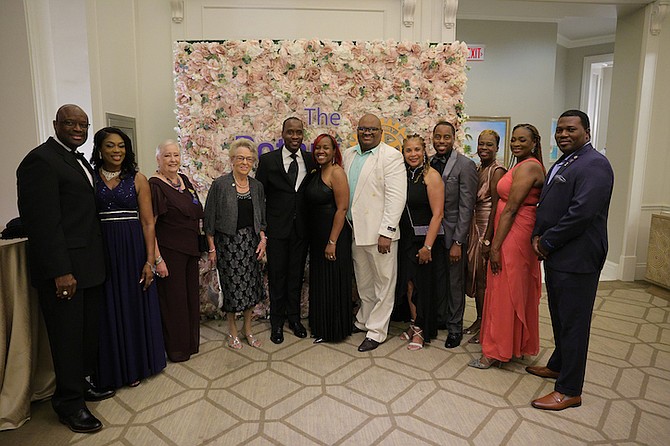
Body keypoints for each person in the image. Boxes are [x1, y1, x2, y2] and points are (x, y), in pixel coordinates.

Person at [16, 104, 113, 433]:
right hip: (65, 272)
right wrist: (60, 271)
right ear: (56, 124)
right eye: (70, 123)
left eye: (83, 125)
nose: (77, 129)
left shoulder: (77, 159)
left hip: (89, 267)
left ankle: (82, 386)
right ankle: (69, 404)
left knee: (86, 336)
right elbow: (43, 224)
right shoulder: (40, 161)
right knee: (67, 339)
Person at [528, 110, 614, 411]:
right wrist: (539, 237)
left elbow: (581, 213)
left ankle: (569, 389)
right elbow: (550, 204)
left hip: (577, 257)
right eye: (560, 130)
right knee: (561, 317)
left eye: (571, 130)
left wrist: (547, 241)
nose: (564, 134)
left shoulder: (595, 165)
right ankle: (558, 364)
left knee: (575, 324)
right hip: (558, 256)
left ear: (587, 132)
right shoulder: (567, 160)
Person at [90, 127, 166, 388]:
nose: (116, 151)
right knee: (108, 307)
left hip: (133, 248)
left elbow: (148, 223)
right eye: (110, 145)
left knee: (133, 302)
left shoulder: (138, 179)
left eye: (121, 145)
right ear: (100, 148)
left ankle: (137, 365)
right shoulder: (91, 178)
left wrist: (149, 260)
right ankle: (112, 368)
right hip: (103, 249)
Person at [468, 124, 546, 369]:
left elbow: (511, 208)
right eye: (514, 139)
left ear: (534, 143)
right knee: (507, 289)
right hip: (509, 231)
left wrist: (493, 245)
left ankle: (495, 352)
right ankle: (510, 345)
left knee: (504, 289)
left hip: (514, 233)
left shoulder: (531, 166)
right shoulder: (519, 165)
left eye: (523, 140)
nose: (517, 144)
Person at [344, 113, 407, 352]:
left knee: (384, 284)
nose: (367, 133)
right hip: (355, 230)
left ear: (381, 132)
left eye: (372, 129)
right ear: (357, 131)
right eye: (363, 129)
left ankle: (378, 331)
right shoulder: (349, 154)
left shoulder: (391, 157)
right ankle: (364, 321)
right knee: (364, 282)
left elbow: (396, 197)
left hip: (381, 234)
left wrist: (387, 232)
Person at [256, 117, 316, 344]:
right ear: (282, 133)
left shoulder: (311, 161)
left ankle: (294, 319)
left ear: (303, 135)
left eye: (298, 132)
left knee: (296, 276)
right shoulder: (268, 160)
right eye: (290, 132)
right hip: (276, 229)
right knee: (277, 276)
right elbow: (260, 197)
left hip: (302, 230)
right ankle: (277, 323)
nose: (294, 136)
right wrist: (262, 229)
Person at [204, 139, 266, 349]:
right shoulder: (219, 185)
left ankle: (247, 329)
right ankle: (232, 331)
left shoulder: (257, 186)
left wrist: (263, 240)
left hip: (250, 243)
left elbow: (261, 219)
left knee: (250, 289)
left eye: (249, 159)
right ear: (232, 160)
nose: (244, 162)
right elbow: (209, 221)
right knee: (231, 290)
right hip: (227, 244)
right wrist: (212, 248)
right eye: (240, 158)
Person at [149, 140, 204, 362]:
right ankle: (176, 350)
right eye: (167, 156)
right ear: (158, 159)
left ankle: (189, 345)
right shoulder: (155, 186)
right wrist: (157, 259)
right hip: (169, 253)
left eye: (175, 155)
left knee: (190, 299)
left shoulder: (184, 180)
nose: (173, 160)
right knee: (174, 302)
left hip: (189, 250)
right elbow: (149, 226)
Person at [395, 134, 446, 350]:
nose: (413, 154)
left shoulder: (431, 176)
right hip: (406, 238)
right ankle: (415, 323)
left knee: (422, 287)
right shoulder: (403, 175)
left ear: (424, 151)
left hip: (425, 240)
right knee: (408, 284)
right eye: (408, 150)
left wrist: (427, 246)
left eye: (417, 150)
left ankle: (421, 330)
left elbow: (438, 214)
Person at [429, 121, 478, 349]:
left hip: (453, 234)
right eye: (437, 137)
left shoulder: (465, 165)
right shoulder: (428, 163)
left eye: (446, 137)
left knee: (454, 282)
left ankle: (455, 328)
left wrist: (458, 241)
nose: (441, 141)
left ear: (453, 138)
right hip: (432, 235)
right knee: (438, 279)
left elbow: (467, 207)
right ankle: (440, 318)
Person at [304, 134, 352, 344]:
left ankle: (334, 330)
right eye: (317, 148)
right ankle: (320, 326)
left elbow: (342, 209)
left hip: (334, 237)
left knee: (333, 282)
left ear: (334, 151)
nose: (320, 151)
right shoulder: (316, 172)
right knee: (321, 282)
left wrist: (332, 242)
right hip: (317, 237)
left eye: (325, 148)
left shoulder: (337, 173)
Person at [464, 130, 507, 344]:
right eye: (481, 144)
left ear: (497, 147)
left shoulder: (497, 171)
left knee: (484, 280)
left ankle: (486, 323)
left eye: (489, 145)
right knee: (476, 277)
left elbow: (497, 208)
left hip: (486, 227)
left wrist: (488, 239)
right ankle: (479, 318)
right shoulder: (479, 168)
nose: (484, 148)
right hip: (474, 226)